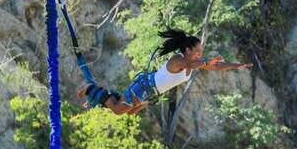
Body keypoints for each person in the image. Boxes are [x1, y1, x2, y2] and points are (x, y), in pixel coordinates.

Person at [78, 27, 252, 115]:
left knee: (129, 112)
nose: (200, 54)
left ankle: (107, 94)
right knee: (118, 110)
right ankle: (90, 89)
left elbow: (215, 66)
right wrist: (205, 61)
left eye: (201, 51)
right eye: (198, 51)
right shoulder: (178, 60)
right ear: (188, 50)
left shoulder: (193, 61)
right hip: (146, 85)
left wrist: (236, 66)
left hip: (149, 90)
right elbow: (192, 66)